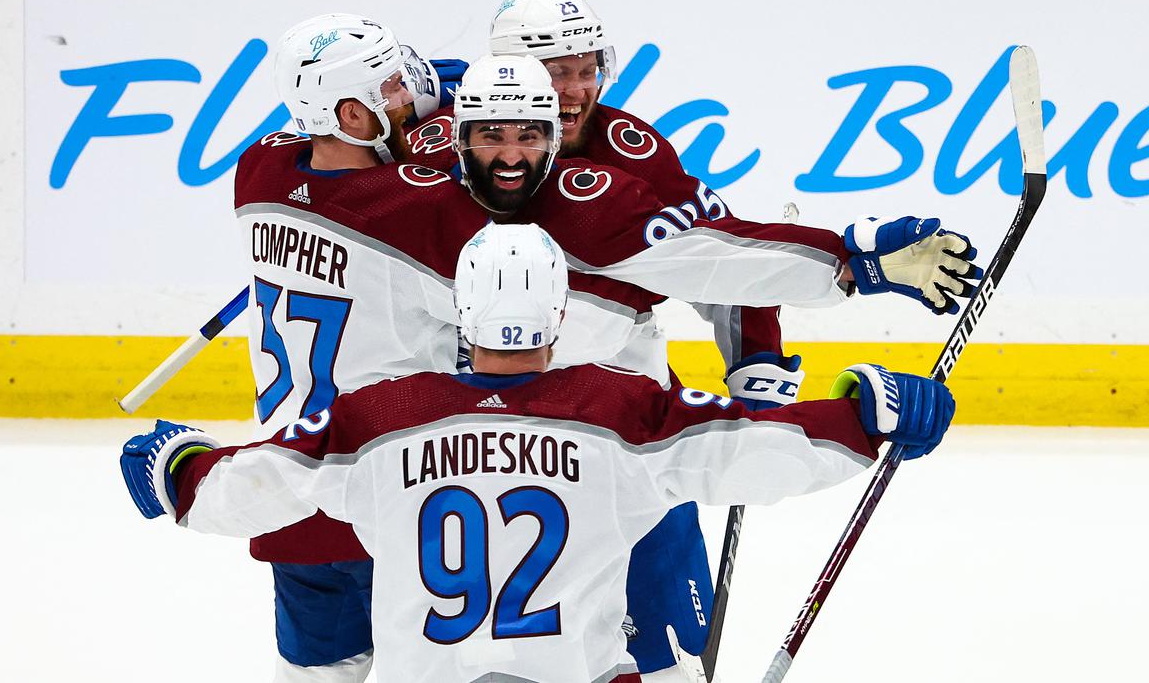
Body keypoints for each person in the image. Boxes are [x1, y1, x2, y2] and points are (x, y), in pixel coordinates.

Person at [121, 223, 957, 683]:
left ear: (460, 310)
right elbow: (760, 449)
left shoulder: (375, 419)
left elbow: (245, 489)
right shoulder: (622, 409)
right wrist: (873, 413)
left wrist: (175, 467)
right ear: (560, 312)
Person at [432, 50, 980, 680]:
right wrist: (865, 416)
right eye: (491, 133)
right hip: (584, 461)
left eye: (529, 133)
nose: (509, 154)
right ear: (457, 132)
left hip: (496, 480)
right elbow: (727, 448)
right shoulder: (623, 421)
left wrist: (846, 266)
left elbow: (715, 257)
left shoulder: (388, 421)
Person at [233, 13, 488, 682]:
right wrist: (453, 91)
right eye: (392, 86)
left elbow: (319, 155)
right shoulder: (421, 207)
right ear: (350, 112)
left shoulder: (257, 174)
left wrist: (407, 101)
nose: (407, 96)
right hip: (402, 504)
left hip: (290, 496)